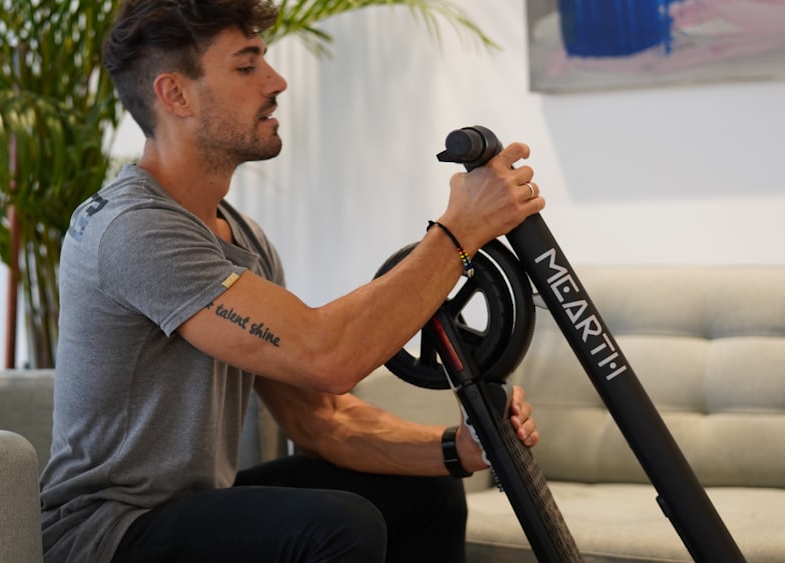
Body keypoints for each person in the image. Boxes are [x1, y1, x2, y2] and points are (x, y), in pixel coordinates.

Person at [39, 1, 544, 562]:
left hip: (195, 507)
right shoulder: (133, 228)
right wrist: (459, 231)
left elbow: (319, 418)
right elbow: (326, 354)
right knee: (334, 524)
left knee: (427, 492)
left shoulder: (241, 238)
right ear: (175, 94)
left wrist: (458, 448)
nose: (276, 81)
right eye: (247, 65)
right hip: (104, 535)